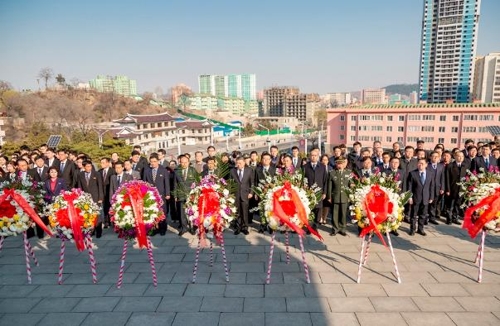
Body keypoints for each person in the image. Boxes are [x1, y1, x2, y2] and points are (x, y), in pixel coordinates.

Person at [142, 153, 171, 235]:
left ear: (158, 161)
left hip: (161, 194)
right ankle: (154, 228)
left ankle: (163, 228)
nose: (153, 163)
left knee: (162, 212)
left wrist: (167, 194)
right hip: (151, 195)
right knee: (153, 212)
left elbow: (166, 183)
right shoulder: (147, 171)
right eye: (151, 162)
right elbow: (144, 182)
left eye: (155, 161)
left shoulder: (163, 170)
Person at [302, 148, 328, 232]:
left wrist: (324, 192)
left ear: (318, 156)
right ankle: (309, 226)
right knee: (310, 209)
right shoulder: (305, 167)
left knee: (318, 209)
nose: (313, 157)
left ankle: (315, 226)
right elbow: (303, 179)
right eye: (312, 155)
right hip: (309, 192)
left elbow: (325, 180)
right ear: (309, 156)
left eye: (315, 155)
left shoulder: (322, 167)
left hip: (319, 192)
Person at [76, 160, 104, 238]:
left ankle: (99, 231)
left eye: (90, 166)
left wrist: (100, 197)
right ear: (84, 167)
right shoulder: (80, 174)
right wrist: (80, 197)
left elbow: (100, 186)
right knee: (88, 215)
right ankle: (91, 230)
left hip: (96, 197)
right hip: (86, 198)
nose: (89, 168)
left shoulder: (97, 174)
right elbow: (80, 186)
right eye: (87, 166)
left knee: (97, 215)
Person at [407, 158, 434, 236]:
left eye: (422, 164)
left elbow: (432, 186)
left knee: (423, 215)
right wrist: (410, 197)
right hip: (416, 197)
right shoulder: (412, 173)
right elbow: (410, 186)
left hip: (426, 197)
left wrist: (431, 197)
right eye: (419, 163)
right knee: (413, 215)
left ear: (426, 165)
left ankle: (420, 229)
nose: (420, 165)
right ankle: (412, 229)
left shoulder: (430, 174)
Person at [173, 155, 197, 236]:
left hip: (191, 195)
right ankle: (184, 228)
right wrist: (175, 195)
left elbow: (197, 182)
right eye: (182, 162)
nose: (183, 164)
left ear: (189, 162)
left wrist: (196, 194)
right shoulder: (176, 171)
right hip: (181, 194)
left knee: (192, 212)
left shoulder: (193, 170)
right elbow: (175, 184)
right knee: (182, 212)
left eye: (185, 162)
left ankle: (192, 227)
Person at [230, 156, 255, 235]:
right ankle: (238, 227)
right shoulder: (232, 171)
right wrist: (230, 195)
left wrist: (251, 192)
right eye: (237, 163)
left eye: (240, 163)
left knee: (244, 211)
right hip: (236, 194)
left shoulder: (249, 170)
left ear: (244, 163)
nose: (238, 165)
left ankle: (245, 227)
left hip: (245, 194)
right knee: (237, 212)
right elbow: (230, 183)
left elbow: (252, 183)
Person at [327, 157, 350, 236]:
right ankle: (335, 228)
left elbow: (351, 184)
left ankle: (343, 228)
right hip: (335, 196)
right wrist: (329, 196)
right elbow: (329, 186)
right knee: (335, 213)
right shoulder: (332, 173)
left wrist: (350, 195)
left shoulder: (348, 173)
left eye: (341, 163)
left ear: (344, 164)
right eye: (338, 163)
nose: (340, 165)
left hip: (345, 196)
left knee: (343, 214)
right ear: (336, 164)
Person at [42, 167, 67, 239]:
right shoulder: (46, 182)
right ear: (49, 173)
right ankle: (55, 231)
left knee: (60, 217)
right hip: (50, 202)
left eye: (55, 172)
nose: (53, 173)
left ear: (57, 173)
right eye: (51, 172)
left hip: (60, 202)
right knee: (53, 218)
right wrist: (48, 198)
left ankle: (61, 232)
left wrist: (62, 199)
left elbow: (65, 191)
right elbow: (45, 193)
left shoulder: (61, 180)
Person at [445, 151, 469, 225]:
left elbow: (468, 177)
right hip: (452, 188)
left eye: (462, 156)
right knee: (450, 205)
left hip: (461, 189)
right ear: (455, 157)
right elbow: (447, 178)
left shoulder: (465, 165)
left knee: (457, 204)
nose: (460, 158)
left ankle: (455, 217)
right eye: (459, 156)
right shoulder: (450, 166)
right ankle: (449, 219)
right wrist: (448, 189)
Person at [255, 153, 276, 233]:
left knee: (270, 210)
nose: (266, 160)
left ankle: (271, 226)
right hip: (261, 192)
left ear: (270, 160)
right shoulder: (258, 169)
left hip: (271, 193)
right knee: (262, 209)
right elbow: (255, 181)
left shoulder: (274, 169)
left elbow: (276, 181)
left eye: (267, 159)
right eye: (264, 158)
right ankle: (262, 225)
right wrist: (256, 193)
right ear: (261, 160)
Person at [427, 151, 445, 225]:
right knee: (427, 203)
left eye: (436, 157)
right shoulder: (427, 165)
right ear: (430, 157)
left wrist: (442, 188)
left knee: (435, 203)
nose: (434, 158)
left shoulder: (441, 166)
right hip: (428, 188)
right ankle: (425, 217)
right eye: (433, 156)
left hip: (437, 188)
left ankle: (432, 217)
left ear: (439, 158)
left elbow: (442, 178)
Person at [99, 157, 115, 228]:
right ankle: (105, 222)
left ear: (108, 163)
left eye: (103, 163)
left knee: (109, 207)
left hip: (109, 191)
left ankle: (110, 221)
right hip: (102, 192)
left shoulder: (112, 171)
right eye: (101, 163)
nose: (102, 164)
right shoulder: (99, 171)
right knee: (103, 207)